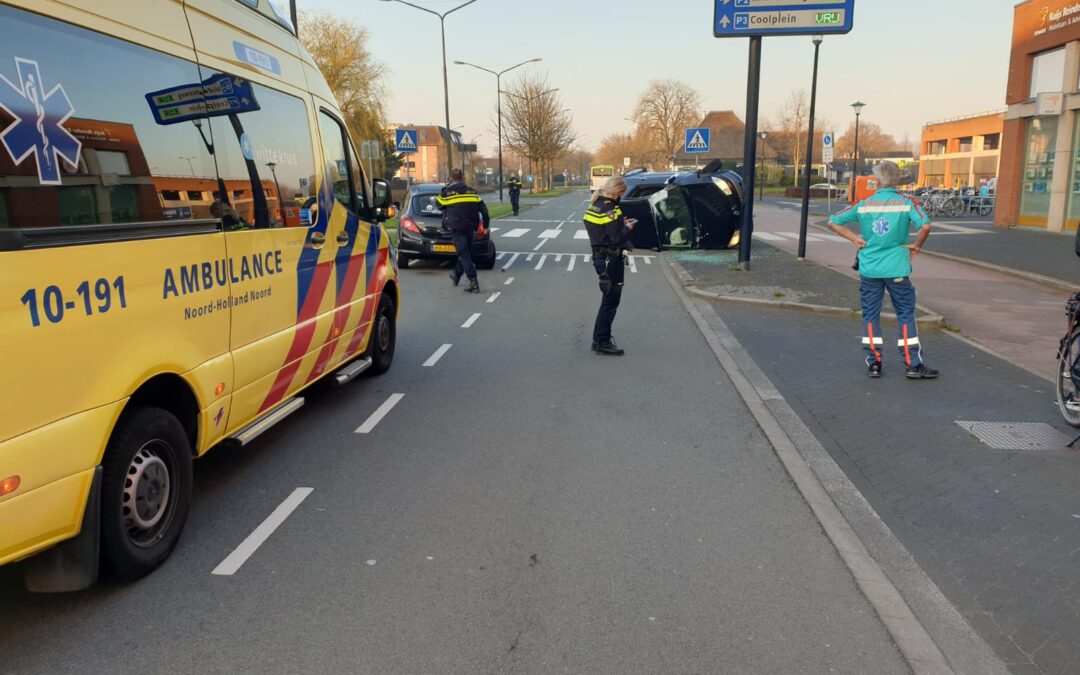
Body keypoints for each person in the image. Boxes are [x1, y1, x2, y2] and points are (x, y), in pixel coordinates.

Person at [828, 161, 938, 379]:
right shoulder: (907, 202)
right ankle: (912, 364)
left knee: (870, 314)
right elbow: (925, 226)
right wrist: (917, 246)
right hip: (897, 267)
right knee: (905, 313)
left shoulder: (864, 203)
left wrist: (855, 239)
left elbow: (833, 221)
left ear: (876, 181)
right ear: (897, 180)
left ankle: (874, 363)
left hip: (870, 268)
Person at [583, 175, 637, 355]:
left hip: (600, 260)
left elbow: (602, 231)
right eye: (622, 193)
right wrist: (627, 227)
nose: (621, 197)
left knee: (607, 300)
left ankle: (599, 339)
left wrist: (619, 224)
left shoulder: (594, 205)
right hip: (612, 260)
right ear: (618, 192)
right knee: (611, 302)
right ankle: (602, 341)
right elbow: (615, 239)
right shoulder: (611, 209)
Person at [437, 168, 490, 293]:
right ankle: (456, 274)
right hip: (471, 227)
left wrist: (445, 189)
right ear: (462, 178)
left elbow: (438, 205)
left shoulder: (448, 192)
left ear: (451, 178)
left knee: (464, 253)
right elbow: (484, 210)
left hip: (457, 227)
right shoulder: (472, 191)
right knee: (465, 252)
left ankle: (473, 281)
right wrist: (485, 225)